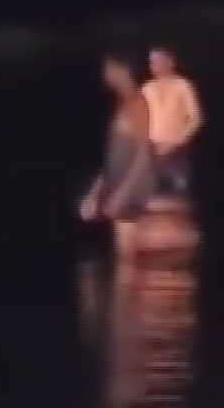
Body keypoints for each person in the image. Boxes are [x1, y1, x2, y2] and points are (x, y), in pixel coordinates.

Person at [80, 54, 157, 253]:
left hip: (129, 190)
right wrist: (95, 194)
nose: (105, 72)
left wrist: (123, 194)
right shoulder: (120, 104)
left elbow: (144, 153)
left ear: (123, 69)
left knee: (126, 258)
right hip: (117, 186)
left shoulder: (136, 103)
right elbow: (110, 157)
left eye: (109, 67)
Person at [142, 45, 202, 196]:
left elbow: (196, 119)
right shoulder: (147, 88)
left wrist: (176, 142)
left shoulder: (183, 86)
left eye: (158, 61)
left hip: (177, 151)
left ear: (170, 62)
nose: (154, 66)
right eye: (152, 62)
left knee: (178, 195)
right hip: (153, 150)